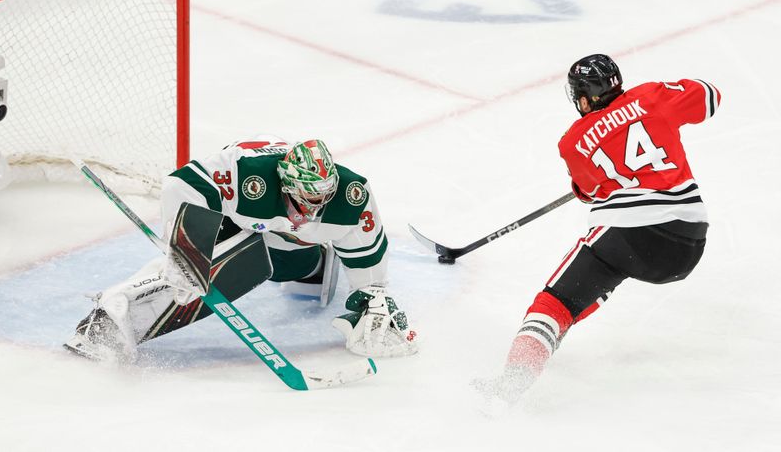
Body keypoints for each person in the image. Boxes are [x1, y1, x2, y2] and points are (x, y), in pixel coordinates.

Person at [476, 54, 720, 402]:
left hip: (631, 238)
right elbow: (710, 96)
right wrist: (662, 109)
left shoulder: (572, 142)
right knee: (605, 265)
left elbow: (590, 192)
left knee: (557, 303)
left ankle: (511, 383)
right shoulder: (652, 96)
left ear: (585, 98)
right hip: (689, 241)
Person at [64, 136, 418, 362]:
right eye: (308, 196)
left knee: (289, 264)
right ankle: (112, 321)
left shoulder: (353, 196)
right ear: (287, 181)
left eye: (323, 195)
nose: (315, 205)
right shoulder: (248, 175)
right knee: (212, 276)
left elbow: (367, 251)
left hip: (290, 243)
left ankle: (316, 267)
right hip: (236, 222)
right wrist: (187, 251)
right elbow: (179, 186)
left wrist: (372, 294)